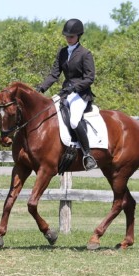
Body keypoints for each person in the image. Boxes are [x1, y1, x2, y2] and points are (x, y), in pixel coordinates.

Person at [36, 18, 97, 170]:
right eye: (67, 36)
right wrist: (40, 89)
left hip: (81, 94)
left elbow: (90, 78)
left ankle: (87, 155)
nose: (68, 39)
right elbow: (54, 75)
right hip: (65, 93)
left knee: (75, 121)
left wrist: (74, 88)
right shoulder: (62, 52)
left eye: (71, 36)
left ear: (78, 36)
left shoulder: (85, 54)